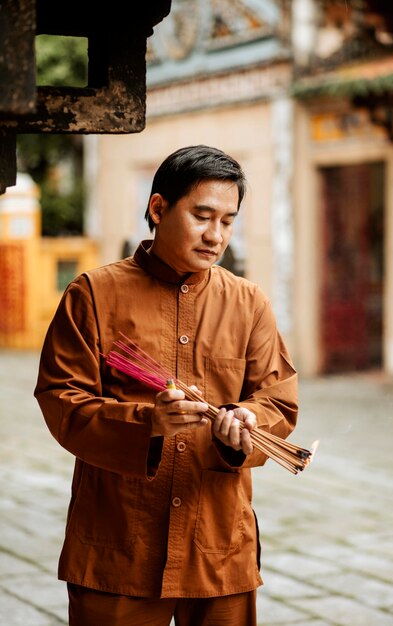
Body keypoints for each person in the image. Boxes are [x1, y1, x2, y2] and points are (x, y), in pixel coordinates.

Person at [34, 145, 298, 626]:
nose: (215, 235)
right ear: (158, 209)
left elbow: (278, 401)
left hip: (217, 547)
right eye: (202, 216)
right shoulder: (93, 294)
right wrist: (147, 422)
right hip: (118, 544)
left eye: (228, 220)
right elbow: (61, 401)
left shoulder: (248, 303)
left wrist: (249, 420)